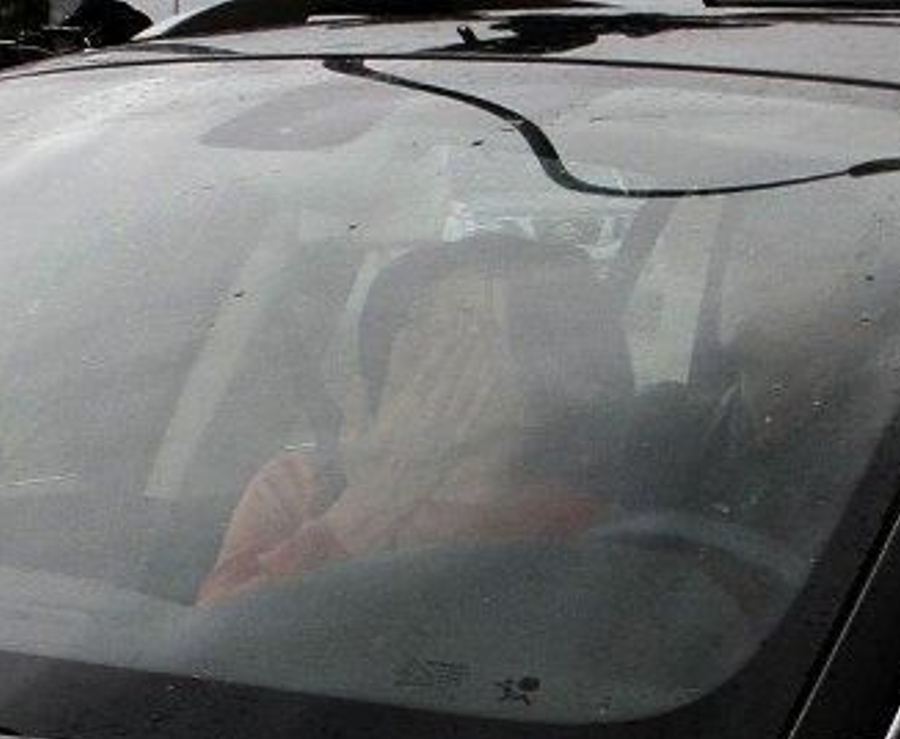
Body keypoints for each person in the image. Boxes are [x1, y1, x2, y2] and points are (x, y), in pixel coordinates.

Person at [198, 234, 632, 605]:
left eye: (465, 334)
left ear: (547, 372)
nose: (423, 355)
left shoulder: (581, 524)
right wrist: (367, 510)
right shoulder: (296, 487)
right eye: (413, 325)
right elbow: (213, 646)